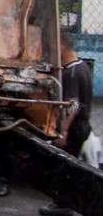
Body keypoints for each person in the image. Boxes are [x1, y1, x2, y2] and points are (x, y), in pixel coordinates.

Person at [39, 33, 95, 216]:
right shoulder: (83, 66)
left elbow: (74, 105)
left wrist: (63, 131)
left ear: (61, 46)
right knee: (71, 166)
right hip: (82, 125)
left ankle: (62, 205)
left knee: (64, 166)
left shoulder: (71, 71)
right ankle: (67, 204)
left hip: (74, 127)